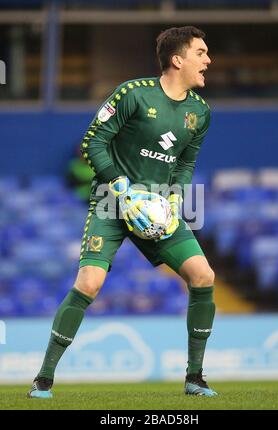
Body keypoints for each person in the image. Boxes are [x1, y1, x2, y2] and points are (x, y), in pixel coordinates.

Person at [28, 26, 217, 398]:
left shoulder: (200, 112)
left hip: (159, 210)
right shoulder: (132, 93)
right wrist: (120, 186)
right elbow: (92, 141)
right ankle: (43, 379)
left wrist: (174, 198)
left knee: (203, 275)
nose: (208, 60)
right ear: (177, 60)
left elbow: (185, 162)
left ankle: (195, 378)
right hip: (113, 202)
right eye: (201, 53)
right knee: (89, 283)